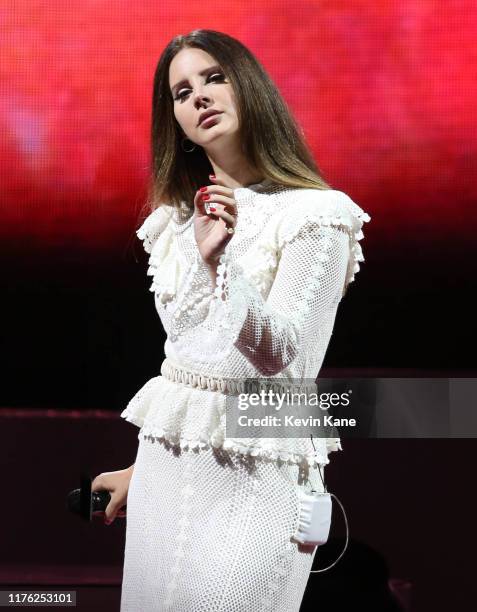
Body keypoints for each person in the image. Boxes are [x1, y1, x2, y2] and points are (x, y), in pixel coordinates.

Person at [92, 29, 371, 612]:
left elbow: (287, 363)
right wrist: (143, 469)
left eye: (215, 78)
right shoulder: (175, 221)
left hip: (257, 479)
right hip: (168, 480)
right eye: (181, 90)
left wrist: (223, 267)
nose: (200, 97)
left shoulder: (317, 215)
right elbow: (193, 360)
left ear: (249, 88)